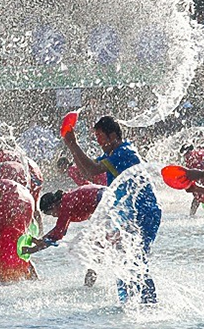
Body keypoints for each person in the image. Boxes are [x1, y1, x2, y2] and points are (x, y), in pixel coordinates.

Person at [63, 116, 160, 304]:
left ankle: (149, 303)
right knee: (121, 258)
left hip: (145, 212)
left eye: (100, 136)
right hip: (129, 215)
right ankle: (127, 303)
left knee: (137, 258)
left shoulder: (124, 152)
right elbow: (86, 172)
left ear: (113, 135)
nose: (98, 141)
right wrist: (70, 146)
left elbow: (91, 169)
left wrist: (73, 144)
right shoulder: (112, 154)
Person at [22, 184, 106, 286]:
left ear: (53, 206)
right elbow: (58, 232)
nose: (54, 216)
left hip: (104, 201)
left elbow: (58, 233)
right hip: (106, 198)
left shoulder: (65, 204)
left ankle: (91, 278)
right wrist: (39, 242)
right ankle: (92, 275)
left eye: (51, 213)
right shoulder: (67, 198)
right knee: (95, 244)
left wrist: (32, 249)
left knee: (81, 245)